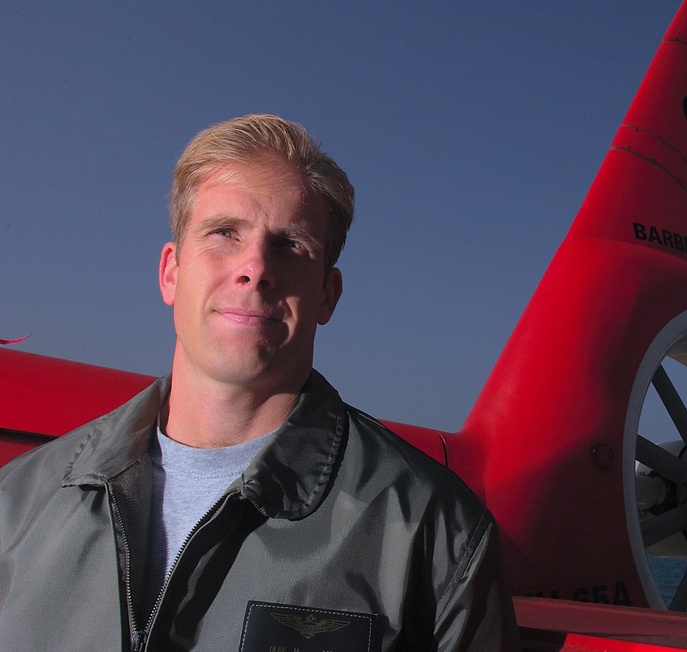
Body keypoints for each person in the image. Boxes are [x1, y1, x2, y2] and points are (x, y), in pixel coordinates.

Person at [0, 114, 520, 650]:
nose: (255, 268)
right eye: (225, 233)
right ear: (171, 272)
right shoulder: (14, 504)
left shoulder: (437, 532)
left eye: (290, 245)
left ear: (327, 295)